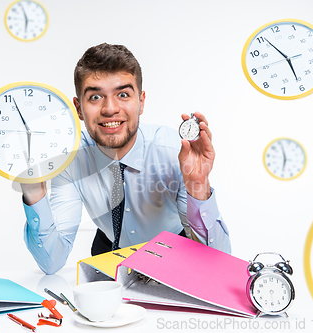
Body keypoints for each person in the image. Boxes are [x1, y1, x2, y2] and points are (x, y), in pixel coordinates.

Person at [21, 43, 230, 275]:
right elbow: (52, 262)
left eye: (122, 94)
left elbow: (218, 263)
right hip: (109, 252)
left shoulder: (175, 152)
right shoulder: (70, 159)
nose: (110, 109)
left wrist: (197, 184)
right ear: (79, 108)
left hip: (174, 253)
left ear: (141, 101)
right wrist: (34, 192)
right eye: (95, 96)